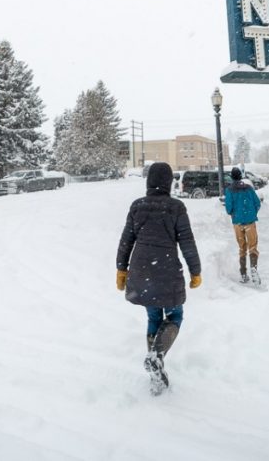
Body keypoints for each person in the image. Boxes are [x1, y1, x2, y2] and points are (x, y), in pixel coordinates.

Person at [116, 161, 201, 395]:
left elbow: (126, 241)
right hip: (167, 270)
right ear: (169, 182)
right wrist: (196, 271)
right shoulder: (176, 207)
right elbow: (187, 242)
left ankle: (155, 369)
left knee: (153, 315)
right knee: (175, 314)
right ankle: (157, 356)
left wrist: (121, 269)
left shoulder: (137, 206)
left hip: (141, 270)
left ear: (149, 181)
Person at [224, 166, 262, 285]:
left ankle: (243, 273)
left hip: (238, 223)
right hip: (250, 222)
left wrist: (235, 214)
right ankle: (254, 268)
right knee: (253, 247)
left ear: (231, 177)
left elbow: (228, 208)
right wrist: (252, 213)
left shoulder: (229, 190)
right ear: (241, 176)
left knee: (242, 248)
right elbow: (257, 203)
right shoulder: (249, 188)